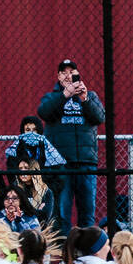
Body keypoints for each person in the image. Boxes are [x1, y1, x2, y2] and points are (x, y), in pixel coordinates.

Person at [37, 59, 105, 229]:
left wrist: (85, 99)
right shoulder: (52, 97)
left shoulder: (91, 96)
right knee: (62, 213)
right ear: (58, 76)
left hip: (86, 163)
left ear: (78, 75)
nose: (68, 75)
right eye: (64, 72)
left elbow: (99, 118)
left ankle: (86, 252)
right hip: (60, 165)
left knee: (87, 213)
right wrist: (64, 95)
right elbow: (44, 112)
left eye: (72, 72)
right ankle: (64, 253)